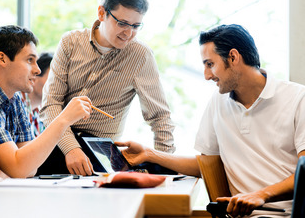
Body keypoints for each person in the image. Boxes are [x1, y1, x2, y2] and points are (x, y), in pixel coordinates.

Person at [116, 24, 305, 217]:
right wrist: (149, 154)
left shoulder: (298, 98)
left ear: (233, 57)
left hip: (289, 214)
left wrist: (261, 195)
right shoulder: (218, 102)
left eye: (210, 64)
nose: (206, 75)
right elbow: (206, 164)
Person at [39, 0, 175, 176]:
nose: (128, 33)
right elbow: (50, 103)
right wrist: (71, 148)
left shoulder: (141, 56)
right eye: (122, 23)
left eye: (136, 26)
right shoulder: (70, 42)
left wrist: (164, 169)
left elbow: (160, 117)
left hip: (100, 154)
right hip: (56, 143)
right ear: (102, 13)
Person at [0, 25, 92, 178]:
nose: (37, 70)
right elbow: (19, 168)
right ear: (2, 59)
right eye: (30, 60)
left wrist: (14, 169)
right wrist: (64, 119)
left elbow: (30, 168)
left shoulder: (15, 101)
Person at [21, 52, 53, 137]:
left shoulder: (43, 113)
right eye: (53, 79)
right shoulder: (16, 103)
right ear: (34, 77)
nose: (58, 85)